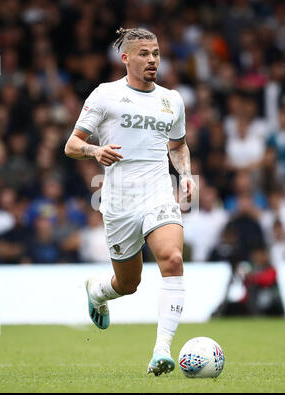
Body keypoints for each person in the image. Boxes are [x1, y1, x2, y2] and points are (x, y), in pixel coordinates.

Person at [64, 27, 196, 376]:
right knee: (128, 284)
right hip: (119, 201)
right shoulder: (105, 95)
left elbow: (178, 144)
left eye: (155, 53)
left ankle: (161, 351)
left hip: (157, 192)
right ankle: (98, 291)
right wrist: (95, 150)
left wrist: (185, 175)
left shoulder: (172, 99)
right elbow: (72, 144)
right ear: (125, 58)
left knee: (172, 257)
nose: (152, 59)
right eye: (143, 54)